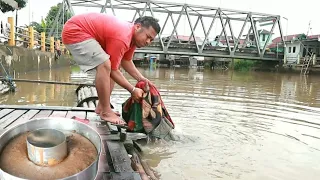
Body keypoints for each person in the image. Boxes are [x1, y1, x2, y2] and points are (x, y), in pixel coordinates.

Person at [61, 12, 160, 125]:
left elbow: (126, 61)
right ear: (137, 27)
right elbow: (112, 70)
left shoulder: (132, 40)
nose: (148, 42)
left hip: (85, 33)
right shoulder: (123, 37)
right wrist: (132, 90)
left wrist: (142, 79)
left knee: (113, 65)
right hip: (75, 31)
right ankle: (106, 111)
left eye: (151, 40)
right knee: (105, 64)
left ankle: (101, 107)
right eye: (148, 37)